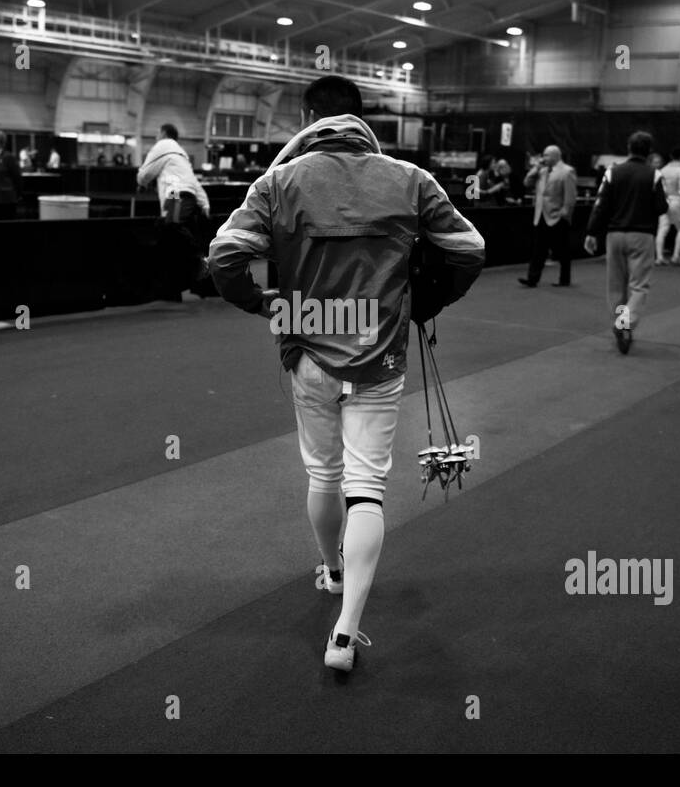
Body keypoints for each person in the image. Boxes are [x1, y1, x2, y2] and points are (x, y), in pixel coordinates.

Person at [206, 75, 485, 673]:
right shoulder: (411, 179)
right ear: (361, 118)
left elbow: (223, 257)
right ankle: (345, 634)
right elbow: (470, 248)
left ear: (308, 116)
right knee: (368, 489)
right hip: (380, 358)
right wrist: (429, 300)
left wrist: (269, 306)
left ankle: (330, 571)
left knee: (322, 474)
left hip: (306, 353)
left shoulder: (277, 180)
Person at [583, 131, 668, 354]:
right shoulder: (654, 174)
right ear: (649, 151)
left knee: (616, 285)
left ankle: (621, 324)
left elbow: (600, 204)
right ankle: (625, 325)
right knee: (639, 285)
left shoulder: (613, 172)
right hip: (642, 236)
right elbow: (662, 207)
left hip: (615, 235)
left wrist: (592, 232)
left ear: (628, 148)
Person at [137, 124, 213, 297]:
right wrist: (204, 203)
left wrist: (141, 181)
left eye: (157, 132)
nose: (156, 136)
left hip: (175, 194)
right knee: (171, 237)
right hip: (189, 196)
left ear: (163, 133)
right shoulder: (181, 154)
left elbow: (145, 174)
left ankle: (200, 260)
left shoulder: (162, 145)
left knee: (172, 225)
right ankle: (173, 289)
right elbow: (192, 181)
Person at [519, 144, 577, 287]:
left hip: (558, 216)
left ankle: (565, 279)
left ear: (556, 156)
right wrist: (536, 168)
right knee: (538, 250)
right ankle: (532, 279)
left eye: (546, 155)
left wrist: (564, 214)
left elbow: (570, 197)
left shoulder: (567, 171)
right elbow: (527, 182)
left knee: (562, 250)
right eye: (543, 155)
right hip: (541, 216)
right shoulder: (541, 171)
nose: (543, 158)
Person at [656, 147, 680, 266]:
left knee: (662, 228)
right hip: (677, 201)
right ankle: (675, 256)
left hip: (664, 200)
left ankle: (659, 256)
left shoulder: (663, 170)